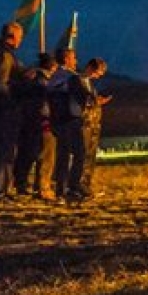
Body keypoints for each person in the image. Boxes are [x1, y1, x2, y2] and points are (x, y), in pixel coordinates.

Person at [0, 22, 26, 201]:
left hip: (1, 110)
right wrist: (16, 94)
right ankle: (0, 190)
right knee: (3, 152)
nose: (21, 41)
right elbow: (0, 85)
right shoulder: (4, 56)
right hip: (4, 111)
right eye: (20, 37)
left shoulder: (1, 53)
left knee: (6, 152)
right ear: (13, 36)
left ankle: (3, 189)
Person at [13, 53, 58, 199]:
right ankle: (42, 187)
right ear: (52, 66)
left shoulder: (28, 79)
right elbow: (44, 104)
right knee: (46, 155)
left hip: (26, 121)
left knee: (26, 154)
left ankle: (21, 184)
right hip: (43, 121)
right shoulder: (44, 82)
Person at [49, 47, 85, 200]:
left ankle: (60, 188)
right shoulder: (72, 77)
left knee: (62, 156)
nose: (76, 61)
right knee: (79, 153)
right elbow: (82, 96)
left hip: (57, 120)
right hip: (72, 119)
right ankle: (73, 187)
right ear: (66, 59)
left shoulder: (54, 77)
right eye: (74, 58)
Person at [78, 58, 111, 199]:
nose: (100, 76)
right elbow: (82, 101)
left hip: (93, 124)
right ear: (90, 68)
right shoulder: (79, 81)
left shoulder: (89, 83)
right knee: (83, 156)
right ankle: (80, 185)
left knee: (90, 156)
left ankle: (86, 184)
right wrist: (95, 101)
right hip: (85, 123)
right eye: (99, 72)